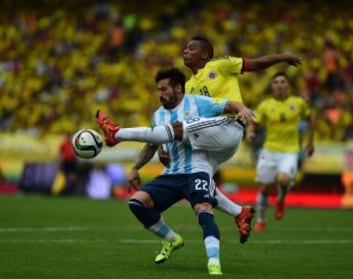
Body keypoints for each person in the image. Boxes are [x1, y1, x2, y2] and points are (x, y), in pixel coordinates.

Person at [96, 68, 254, 275]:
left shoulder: (197, 103)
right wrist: (136, 168)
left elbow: (228, 105)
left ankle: (213, 263)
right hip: (172, 172)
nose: (160, 94)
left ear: (178, 88)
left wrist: (242, 108)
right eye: (158, 90)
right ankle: (172, 239)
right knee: (137, 202)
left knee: (203, 210)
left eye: (164, 89)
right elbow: (152, 143)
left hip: (197, 169)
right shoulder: (158, 115)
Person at [158, 35, 302, 240]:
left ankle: (119, 134)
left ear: (205, 54)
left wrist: (283, 56)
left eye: (191, 48)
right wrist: (166, 143)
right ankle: (240, 212)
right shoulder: (189, 86)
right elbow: (181, 117)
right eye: (185, 48)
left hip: (228, 127)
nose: (185, 51)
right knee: (197, 183)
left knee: (183, 141)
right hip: (208, 138)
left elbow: (256, 64)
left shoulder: (222, 65)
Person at [245, 72, 315, 232]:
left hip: (290, 150)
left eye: (283, 81)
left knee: (283, 179)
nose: (279, 85)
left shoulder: (298, 103)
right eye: (276, 82)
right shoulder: (265, 105)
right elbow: (254, 123)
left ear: (288, 85)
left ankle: (281, 199)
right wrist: (250, 132)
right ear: (272, 87)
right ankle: (262, 220)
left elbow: (311, 119)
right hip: (269, 150)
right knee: (264, 188)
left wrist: (310, 143)